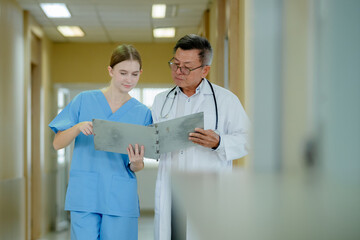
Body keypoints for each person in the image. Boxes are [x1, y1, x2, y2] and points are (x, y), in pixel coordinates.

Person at [49, 44, 152, 240]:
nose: (129, 80)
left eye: (134, 74)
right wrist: (77, 127)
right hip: (85, 194)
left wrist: (138, 163)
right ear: (110, 70)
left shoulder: (142, 113)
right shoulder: (84, 100)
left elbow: (137, 166)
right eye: (123, 73)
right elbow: (57, 143)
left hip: (120, 196)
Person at [151, 34, 250, 240]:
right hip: (172, 192)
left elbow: (248, 139)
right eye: (175, 64)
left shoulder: (225, 100)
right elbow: (153, 139)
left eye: (186, 67)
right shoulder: (161, 100)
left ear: (205, 70)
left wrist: (219, 142)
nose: (179, 71)